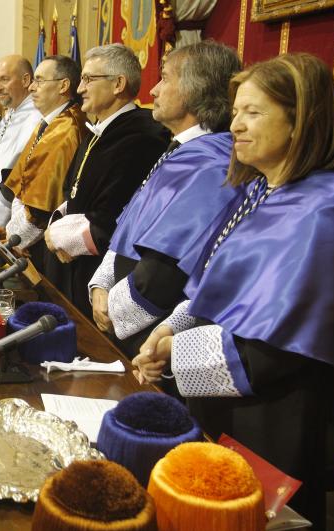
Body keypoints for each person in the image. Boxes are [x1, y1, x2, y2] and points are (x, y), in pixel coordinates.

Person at [132, 53, 334, 531]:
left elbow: (274, 349)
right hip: (220, 396)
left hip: (272, 415)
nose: (236, 126)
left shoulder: (326, 211)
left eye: (253, 112)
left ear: (300, 122)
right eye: (235, 112)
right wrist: (171, 325)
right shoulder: (258, 190)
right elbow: (215, 285)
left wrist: (173, 352)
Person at [87, 41, 242, 356]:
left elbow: (166, 269)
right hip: (123, 309)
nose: (153, 91)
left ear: (193, 90)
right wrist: (100, 284)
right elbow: (130, 223)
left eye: (165, 78)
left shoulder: (211, 164)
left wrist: (112, 310)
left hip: (150, 335)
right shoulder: (180, 151)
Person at [43, 45, 169, 318]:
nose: (79, 89)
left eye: (89, 79)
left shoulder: (143, 135)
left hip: (101, 270)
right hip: (71, 263)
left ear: (118, 84)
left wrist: (61, 237)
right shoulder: (98, 130)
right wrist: (56, 228)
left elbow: (118, 213)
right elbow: (71, 188)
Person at [0, 55, 85, 273]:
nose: (32, 88)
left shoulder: (65, 129)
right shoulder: (50, 122)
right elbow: (20, 178)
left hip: (45, 246)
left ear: (63, 86)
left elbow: (40, 206)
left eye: (39, 80)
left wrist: (9, 238)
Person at [0, 56, 42, 217]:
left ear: (26, 80)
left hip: (13, 214)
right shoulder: (10, 113)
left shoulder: (37, 117)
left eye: (4, 79)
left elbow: (18, 175)